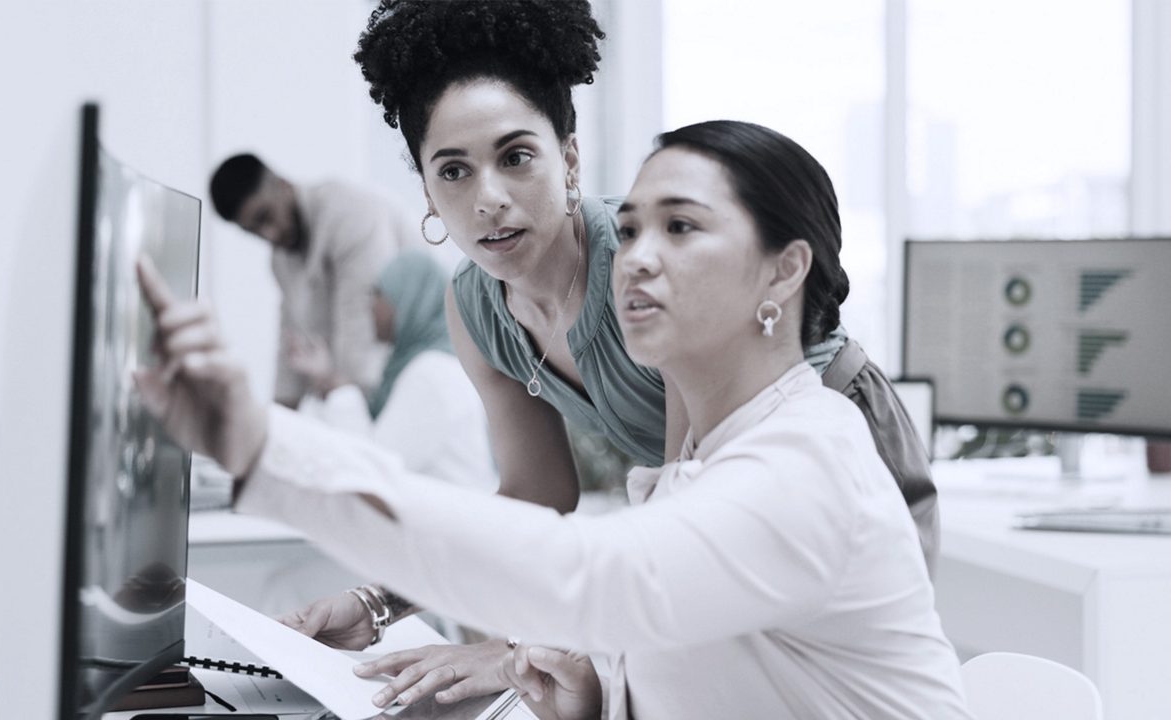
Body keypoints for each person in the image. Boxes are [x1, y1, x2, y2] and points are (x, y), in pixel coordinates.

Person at [134, 119, 972, 719]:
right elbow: (708, 661)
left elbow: (600, 579)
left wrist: (261, 446)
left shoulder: (808, 456)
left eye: (680, 227)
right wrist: (593, 697)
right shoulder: (697, 461)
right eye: (634, 227)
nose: (637, 254)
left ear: (784, 272)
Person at [244, 0, 938, 707]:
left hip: (812, 431)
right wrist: (378, 603)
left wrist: (511, 651)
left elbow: (656, 541)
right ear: (425, 190)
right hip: (693, 498)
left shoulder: (642, 277)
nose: (488, 199)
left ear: (568, 157)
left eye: (516, 158)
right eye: (453, 172)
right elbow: (538, 493)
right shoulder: (475, 304)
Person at [209, 153, 412, 408]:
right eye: (253, 231)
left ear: (283, 185)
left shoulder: (349, 214)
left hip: (416, 374)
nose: (268, 235)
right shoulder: (280, 258)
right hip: (369, 390)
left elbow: (362, 332)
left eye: (265, 217)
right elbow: (292, 344)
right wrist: (276, 426)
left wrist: (348, 413)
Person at [289, 250, 496, 490]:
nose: (371, 305)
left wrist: (338, 387)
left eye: (379, 293)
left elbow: (373, 467)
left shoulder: (433, 374)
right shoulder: (414, 365)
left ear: (409, 299)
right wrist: (326, 380)